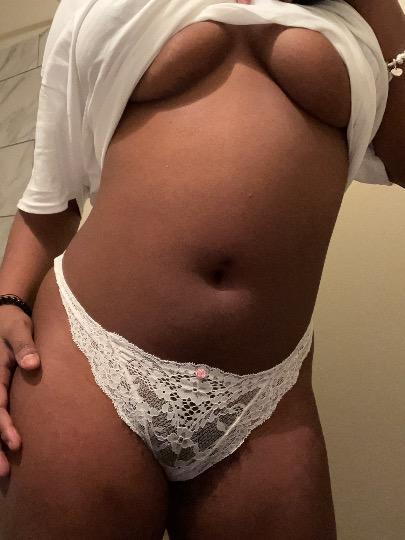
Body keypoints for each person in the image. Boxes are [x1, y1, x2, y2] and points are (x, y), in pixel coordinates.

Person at [0, 0, 404, 538]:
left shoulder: (353, 20)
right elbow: (50, 197)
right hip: (84, 357)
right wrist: (6, 302)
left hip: (268, 390)